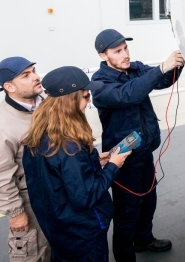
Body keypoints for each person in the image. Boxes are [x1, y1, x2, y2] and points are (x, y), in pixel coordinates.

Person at [91, 29, 185, 261]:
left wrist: (180, 61)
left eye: (126, 48)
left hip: (144, 150)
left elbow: (163, 80)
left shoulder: (135, 69)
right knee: (127, 210)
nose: (125, 54)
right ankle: (125, 256)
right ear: (104, 56)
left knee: (148, 200)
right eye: (118, 51)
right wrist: (163, 67)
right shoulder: (100, 84)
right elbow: (128, 94)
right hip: (122, 157)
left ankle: (143, 239)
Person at [22, 66, 131, 262]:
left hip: (57, 228)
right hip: (82, 234)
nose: (89, 102)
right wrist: (113, 165)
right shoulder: (69, 147)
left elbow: (56, 176)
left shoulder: (38, 136)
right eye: (86, 96)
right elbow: (86, 196)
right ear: (69, 101)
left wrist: (95, 162)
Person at [0, 57, 51, 261]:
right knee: (31, 254)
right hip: (29, 200)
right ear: (9, 86)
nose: (36, 77)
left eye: (34, 71)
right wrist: (15, 212)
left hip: (55, 191)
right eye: (26, 75)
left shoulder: (46, 104)